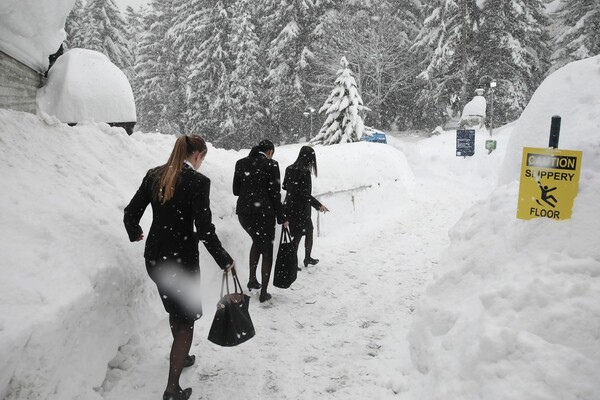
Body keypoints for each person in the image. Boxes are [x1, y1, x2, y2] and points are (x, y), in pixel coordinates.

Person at [124, 135, 235, 400]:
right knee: (186, 320)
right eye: (202, 158)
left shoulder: (154, 175)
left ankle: (181, 356)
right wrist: (224, 259)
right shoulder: (198, 182)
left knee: (177, 310)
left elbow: (131, 212)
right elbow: (205, 229)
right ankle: (172, 389)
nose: (201, 163)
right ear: (196, 155)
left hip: (155, 258)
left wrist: (134, 231)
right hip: (181, 260)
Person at [233, 139, 287, 303]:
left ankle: (252, 279)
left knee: (257, 241)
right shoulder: (272, 165)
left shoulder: (241, 163)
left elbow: (236, 191)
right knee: (267, 250)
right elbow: (275, 194)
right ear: (270, 151)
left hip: (244, 213)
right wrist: (282, 217)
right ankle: (264, 292)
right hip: (264, 214)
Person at [282, 146, 329, 269]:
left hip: (290, 206)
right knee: (307, 232)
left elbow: (285, 187)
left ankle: (296, 261)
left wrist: (293, 190)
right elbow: (305, 194)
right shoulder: (305, 172)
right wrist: (319, 206)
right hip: (302, 208)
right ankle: (305, 258)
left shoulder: (289, 168)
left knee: (297, 235)